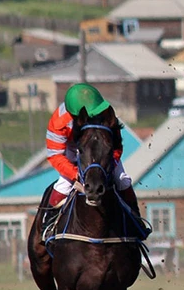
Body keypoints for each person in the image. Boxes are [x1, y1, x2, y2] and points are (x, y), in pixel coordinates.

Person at [43, 83, 144, 230]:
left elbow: (116, 147)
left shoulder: (106, 112)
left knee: (122, 180)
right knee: (63, 185)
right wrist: (74, 173)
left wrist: (110, 165)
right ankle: (48, 226)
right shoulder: (58, 122)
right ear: (77, 114)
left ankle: (136, 221)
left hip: (102, 151)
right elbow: (55, 155)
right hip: (72, 149)